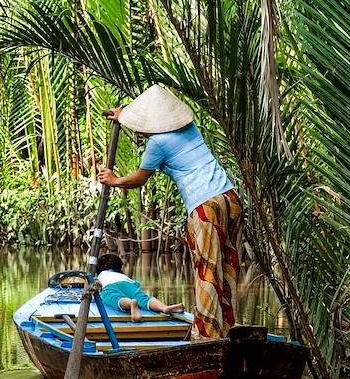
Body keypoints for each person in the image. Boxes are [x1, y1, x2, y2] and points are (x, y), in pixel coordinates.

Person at [96, 84, 243, 339]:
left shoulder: (158, 143)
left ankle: (207, 336)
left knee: (207, 271)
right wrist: (124, 116)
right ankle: (227, 328)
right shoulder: (189, 127)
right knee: (227, 266)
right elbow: (148, 125)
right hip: (230, 199)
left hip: (205, 206)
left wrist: (114, 180)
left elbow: (139, 179)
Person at [95, 253, 183, 323]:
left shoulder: (101, 275)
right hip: (127, 283)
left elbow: (96, 287)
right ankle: (164, 308)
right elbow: (136, 284)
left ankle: (131, 303)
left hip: (108, 286)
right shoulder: (122, 276)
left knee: (115, 298)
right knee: (144, 299)